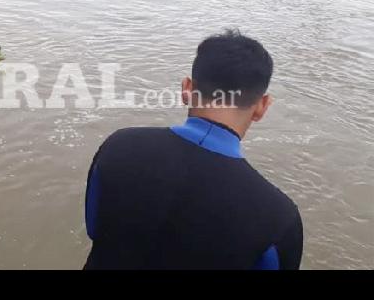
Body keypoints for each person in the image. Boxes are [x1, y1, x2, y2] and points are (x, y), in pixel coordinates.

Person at [84, 29, 303, 269]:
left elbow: (95, 228)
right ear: (262, 106)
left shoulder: (118, 147)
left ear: (186, 89)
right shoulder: (278, 220)